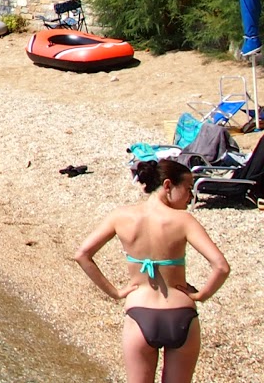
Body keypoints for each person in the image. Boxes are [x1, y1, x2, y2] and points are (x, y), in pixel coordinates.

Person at [74, 159, 230, 383]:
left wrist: (115, 292)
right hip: (180, 314)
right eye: (187, 189)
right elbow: (221, 267)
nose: (190, 197)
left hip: (140, 313)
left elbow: (83, 255)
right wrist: (201, 295)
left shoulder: (121, 216)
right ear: (168, 186)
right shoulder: (184, 220)